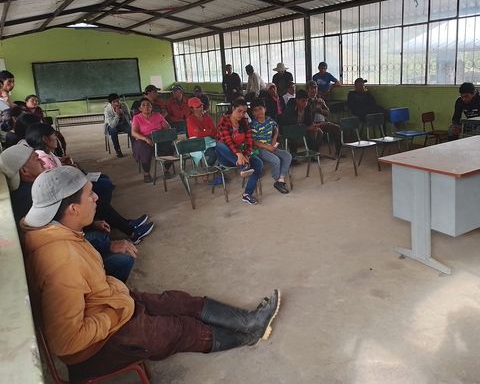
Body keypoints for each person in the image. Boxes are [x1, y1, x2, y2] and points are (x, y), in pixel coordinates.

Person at [21, 166, 281, 382]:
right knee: (178, 330)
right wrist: (114, 314)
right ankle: (248, 336)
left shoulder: (61, 233)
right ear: (73, 209)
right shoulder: (61, 260)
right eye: (90, 195)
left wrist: (118, 301)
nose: (96, 198)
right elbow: (67, 342)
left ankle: (250, 321)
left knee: (178, 301)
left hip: (109, 304)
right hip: (97, 346)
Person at [0, 145, 147, 282]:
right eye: (36, 159)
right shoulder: (29, 198)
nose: (42, 160)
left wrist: (93, 224)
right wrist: (108, 246)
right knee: (122, 258)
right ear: (24, 171)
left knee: (100, 217)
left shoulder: (34, 188)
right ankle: (129, 233)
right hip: (74, 259)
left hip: (72, 247)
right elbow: (65, 232)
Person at [25, 122, 116, 203]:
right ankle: (97, 206)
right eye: (53, 135)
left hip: (70, 183)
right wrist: (71, 169)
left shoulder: (47, 153)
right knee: (105, 184)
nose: (56, 138)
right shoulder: (44, 160)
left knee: (104, 178)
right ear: (45, 139)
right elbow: (59, 182)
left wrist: (62, 161)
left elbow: (56, 166)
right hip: (68, 190)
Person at [216, 98, 263, 205]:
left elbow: (249, 141)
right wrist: (239, 155)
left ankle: (247, 194)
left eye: (244, 112)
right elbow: (227, 141)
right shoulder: (224, 121)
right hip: (227, 157)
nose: (241, 114)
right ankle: (244, 166)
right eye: (239, 111)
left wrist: (245, 155)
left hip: (242, 157)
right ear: (233, 109)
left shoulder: (244, 122)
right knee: (219, 144)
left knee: (259, 164)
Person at [250, 99, 292, 194]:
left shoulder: (270, 120)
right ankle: (277, 179)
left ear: (265, 109)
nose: (259, 111)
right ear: (253, 113)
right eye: (255, 110)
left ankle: (281, 180)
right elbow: (253, 142)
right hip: (259, 150)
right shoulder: (253, 125)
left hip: (270, 147)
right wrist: (267, 147)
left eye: (260, 108)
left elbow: (276, 128)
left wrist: (274, 139)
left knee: (287, 156)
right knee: (275, 160)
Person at [131, 97, 174, 183]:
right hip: (144, 139)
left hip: (159, 137)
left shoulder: (158, 115)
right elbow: (134, 133)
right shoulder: (136, 118)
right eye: (143, 105)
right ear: (140, 108)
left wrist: (162, 134)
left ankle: (166, 170)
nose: (146, 107)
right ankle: (146, 173)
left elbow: (168, 127)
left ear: (151, 107)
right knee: (143, 149)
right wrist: (146, 138)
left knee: (169, 147)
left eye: (148, 105)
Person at [280, 89, 322, 153]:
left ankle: (314, 152)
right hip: (289, 129)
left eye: (307, 100)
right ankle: (293, 155)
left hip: (302, 128)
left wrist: (314, 126)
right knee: (295, 135)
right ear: (297, 100)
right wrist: (307, 128)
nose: (305, 103)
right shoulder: (291, 105)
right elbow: (291, 123)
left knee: (319, 132)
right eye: (303, 101)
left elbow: (309, 121)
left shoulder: (308, 107)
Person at [307, 81, 342, 156]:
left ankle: (338, 152)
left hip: (322, 122)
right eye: (311, 88)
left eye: (315, 88)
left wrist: (320, 110)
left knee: (337, 128)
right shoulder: (306, 101)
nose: (314, 90)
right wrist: (314, 109)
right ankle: (314, 154)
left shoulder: (320, 100)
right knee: (316, 132)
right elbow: (306, 115)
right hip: (312, 124)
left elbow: (328, 112)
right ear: (308, 90)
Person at [186, 97, 218, 166]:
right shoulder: (190, 119)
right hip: (197, 144)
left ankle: (218, 168)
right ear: (192, 109)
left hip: (210, 142)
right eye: (197, 107)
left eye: (201, 106)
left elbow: (215, 132)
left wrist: (204, 131)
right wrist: (209, 131)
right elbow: (197, 134)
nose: (200, 108)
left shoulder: (207, 117)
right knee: (213, 155)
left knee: (221, 149)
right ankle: (208, 169)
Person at [104, 93, 132, 158]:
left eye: (118, 101)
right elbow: (112, 125)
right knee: (113, 130)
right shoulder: (107, 109)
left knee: (132, 129)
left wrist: (123, 113)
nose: (117, 103)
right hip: (112, 126)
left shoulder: (124, 105)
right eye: (114, 102)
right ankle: (118, 150)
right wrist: (117, 115)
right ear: (110, 103)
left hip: (123, 124)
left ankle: (135, 148)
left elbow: (129, 117)